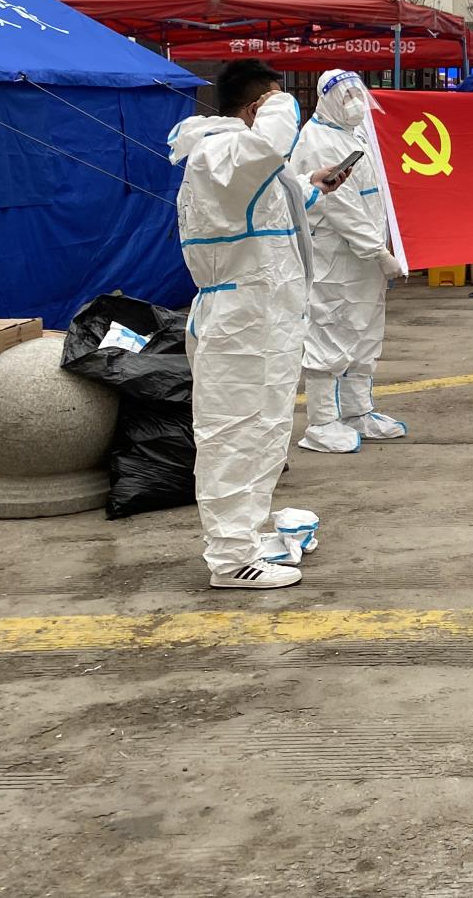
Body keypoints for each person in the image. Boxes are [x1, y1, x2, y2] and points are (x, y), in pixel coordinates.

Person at [169, 60, 349, 590]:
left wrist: (314, 185)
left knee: (264, 433)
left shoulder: (237, 156)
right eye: (273, 101)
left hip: (264, 321)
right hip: (240, 323)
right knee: (232, 435)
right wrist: (280, 102)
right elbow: (265, 153)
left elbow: (271, 200)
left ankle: (243, 536)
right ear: (255, 108)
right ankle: (230, 559)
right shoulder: (219, 151)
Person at [291, 69, 407, 453]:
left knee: (364, 334)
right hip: (336, 257)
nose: (355, 103)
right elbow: (341, 207)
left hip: (364, 259)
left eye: (358, 94)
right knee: (330, 332)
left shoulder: (354, 133)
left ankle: (358, 411)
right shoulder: (319, 140)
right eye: (346, 97)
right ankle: (322, 422)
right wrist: (378, 251)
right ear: (327, 100)